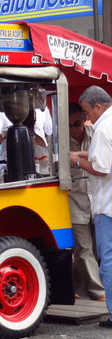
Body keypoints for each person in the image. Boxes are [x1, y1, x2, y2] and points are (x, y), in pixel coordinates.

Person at [70, 86, 112, 328]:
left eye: (87, 113)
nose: (87, 119)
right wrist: (84, 153)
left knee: (107, 260)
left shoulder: (103, 128)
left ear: (98, 106)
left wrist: (77, 161)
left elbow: (101, 167)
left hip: (106, 206)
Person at [67, 102, 105, 301]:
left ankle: (72, 287)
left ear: (84, 119)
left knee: (97, 249)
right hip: (75, 202)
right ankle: (98, 292)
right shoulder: (59, 141)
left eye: (77, 123)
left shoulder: (95, 135)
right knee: (84, 249)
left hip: (97, 201)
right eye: (70, 125)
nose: (74, 128)